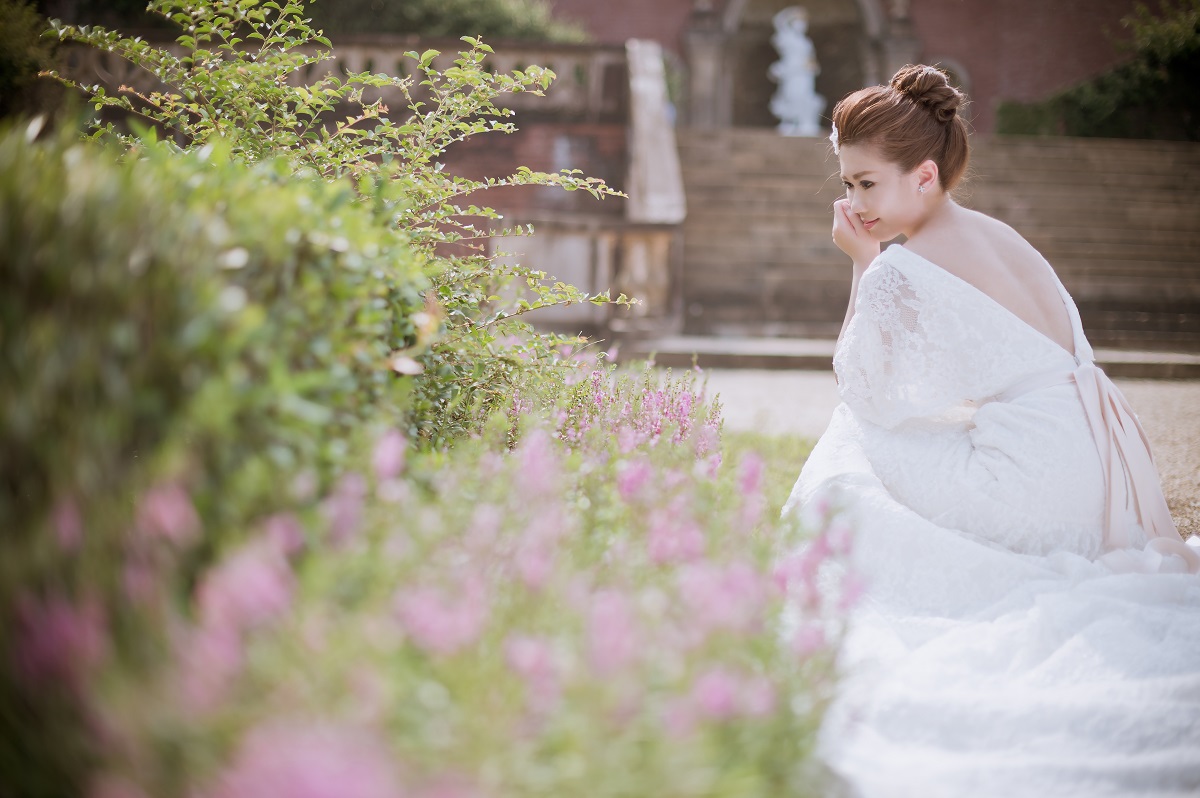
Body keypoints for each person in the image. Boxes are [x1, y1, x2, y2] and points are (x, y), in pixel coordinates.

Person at [782, 65, 1200, 797]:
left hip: (1031, 483)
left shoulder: (896, 268)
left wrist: (862, 268)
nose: (854, 204)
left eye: (868, 184)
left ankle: (836, 584)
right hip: (1095, 461)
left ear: (925, 174)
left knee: (851, 440)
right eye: (847, 185)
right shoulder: (995, 233)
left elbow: (864, 389)